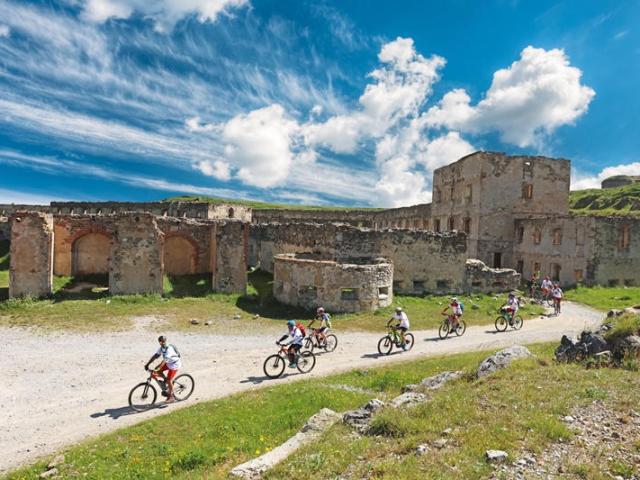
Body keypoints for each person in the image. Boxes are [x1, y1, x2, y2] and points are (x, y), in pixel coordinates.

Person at [144, 335, 181, 403]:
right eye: (161, 342)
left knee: (169, 379)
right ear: (159, 342)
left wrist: (159, 367)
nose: (162, 343)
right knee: (158, 370)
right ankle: (165, 382)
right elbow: (156, 356)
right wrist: (147, 364)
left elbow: (164, 361)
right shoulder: (161, 348)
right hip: (169, 362)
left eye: (163, 342)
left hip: (174, 364)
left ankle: (171, 397)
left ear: (165, 341)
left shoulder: (169, 348)